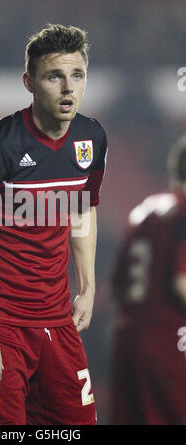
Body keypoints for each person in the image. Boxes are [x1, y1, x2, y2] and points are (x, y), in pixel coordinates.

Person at [0, 24, 108, 425]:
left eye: (77, 75)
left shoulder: (92, 137)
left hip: (57, 321)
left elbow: (83, 208)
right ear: (29, 82)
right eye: (54, 76)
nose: (68, 88)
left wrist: (87, 286)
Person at [109, 135, 186, 425]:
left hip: (127, 339)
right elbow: (182, 282)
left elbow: (117, 290)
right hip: (170, 340)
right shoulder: (184, 212)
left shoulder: (142, 213)